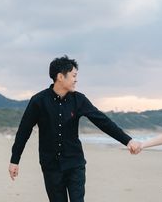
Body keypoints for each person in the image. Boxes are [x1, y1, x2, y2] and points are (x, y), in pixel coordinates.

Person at [8, 55, 141, 202]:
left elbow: (102, 121)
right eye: (73, 76)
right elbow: (24, 131)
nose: (76, 80)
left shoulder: (79, 100)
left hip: (75, 164)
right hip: (51, 166)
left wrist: (127, 140)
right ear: (60, 77)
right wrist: (15, 160)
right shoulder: (38, 101)